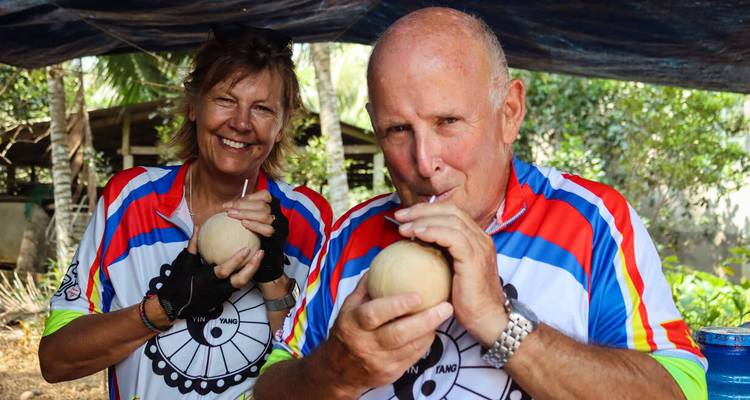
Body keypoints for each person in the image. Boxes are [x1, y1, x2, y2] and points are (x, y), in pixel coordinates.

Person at [254, 7, 707, 400]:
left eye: (448, 121)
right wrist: (335, 370)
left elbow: (678, 392)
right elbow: (268, 389)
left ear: (509, 112)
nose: (425, 162)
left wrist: (499, 322)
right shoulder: (351, 235)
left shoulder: (591, 224)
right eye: (398, 130)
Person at [38, 26, 332, 399]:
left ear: (281, 124)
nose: (241, 123)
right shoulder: (130, 201)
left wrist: (274, 281)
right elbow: (56, 360)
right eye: (226, 99)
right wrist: (164, 306)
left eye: (262, 108)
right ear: (193, 104)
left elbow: (324, 375)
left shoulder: (306, 217)